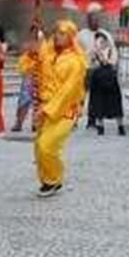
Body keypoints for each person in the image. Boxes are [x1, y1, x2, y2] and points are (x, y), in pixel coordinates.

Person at [34, 20, 87, 196]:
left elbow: (68, 91)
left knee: (46, 145)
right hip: (46, 107)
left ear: (71, 37)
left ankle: (54, 179)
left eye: (63, 33)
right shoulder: (48, 54)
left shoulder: (76, 62)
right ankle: (48, 180)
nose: (58, 36)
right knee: (39, 148)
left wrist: (47, 109)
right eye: (56, 32)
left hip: (65, 111)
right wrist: (31, 53)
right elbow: (26, 67)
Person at [85, 29, 125, 136]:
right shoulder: (94, 51)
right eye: (98, 40)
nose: (100, 42)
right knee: (98, 103)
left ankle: (120, 126)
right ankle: (100, 126)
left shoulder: (112, 50)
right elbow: (89, 62)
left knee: (115, 103)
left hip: (110, 79)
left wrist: (102, 57)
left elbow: (112, 62)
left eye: (102, 40)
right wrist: (94, 54)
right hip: (98, 80)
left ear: (107, 40)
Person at [11, 31, 41, 133]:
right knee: (24, 100)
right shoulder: (27, 44)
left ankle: (35, 123)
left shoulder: (45, 44)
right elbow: (24, 54)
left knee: (38, 100)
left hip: (40, 74)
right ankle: (19, 123)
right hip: (29, 74)